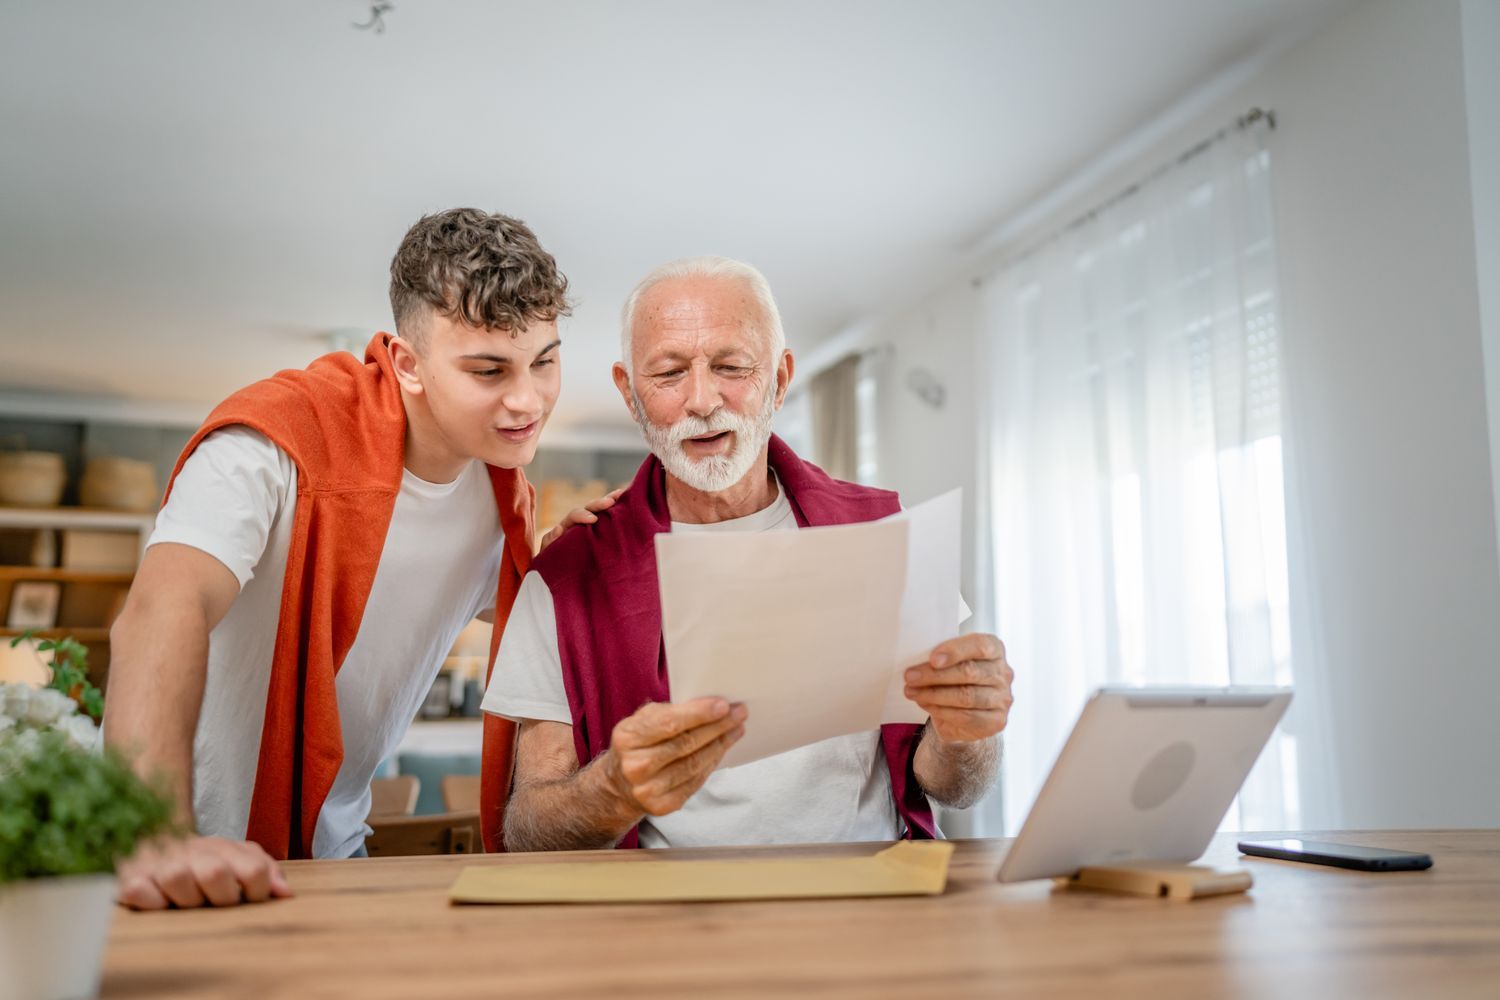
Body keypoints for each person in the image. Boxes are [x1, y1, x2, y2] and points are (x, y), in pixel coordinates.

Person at [104, 208, 594, 908]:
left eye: (544, 362)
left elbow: (529, 618)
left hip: (333, 857)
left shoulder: (501, 496)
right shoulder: (271, 441)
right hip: (172, 854)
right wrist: (154, 836)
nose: (527, 399)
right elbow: (159, 609)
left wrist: (567, 565)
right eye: (488, 370)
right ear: (405, 363)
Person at [484, 256, 1014, 852]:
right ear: (629, 394)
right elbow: (527, 829)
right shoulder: (566, 578)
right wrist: (611, 790)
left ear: (780, 380)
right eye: (667, 374)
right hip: (671, 920)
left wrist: (970, 733)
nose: (703, 400)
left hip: (873, 905)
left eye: (732, 366)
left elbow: (954, 787)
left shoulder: (887, 533)